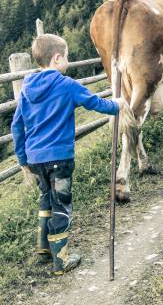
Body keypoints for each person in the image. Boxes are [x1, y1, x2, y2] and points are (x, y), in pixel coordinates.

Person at [11, 34, 125, 275]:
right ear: (57, 58)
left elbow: (16, 126)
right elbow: (94, 103)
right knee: (61, 203)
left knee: (46, 199)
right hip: (60, 159)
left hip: (35, 158)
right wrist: (117, 105)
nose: (68, 62)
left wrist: (22, 159)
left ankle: (44, 248)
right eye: (67, 57)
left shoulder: (26, 89)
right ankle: (61, 259)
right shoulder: (66, 85)